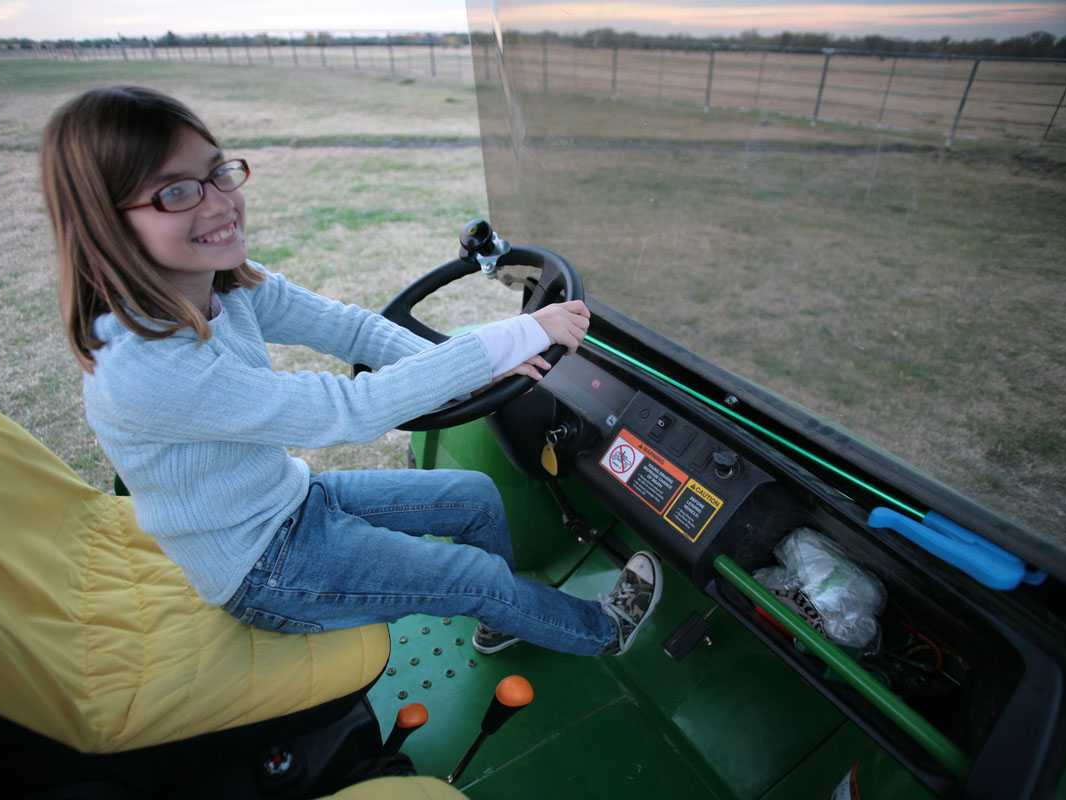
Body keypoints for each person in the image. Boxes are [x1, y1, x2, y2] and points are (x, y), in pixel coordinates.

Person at [39, 85, 662, 657]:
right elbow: (347, 411)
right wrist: (517, 333)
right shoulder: (145, 367)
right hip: (260, 567)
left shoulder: (222, 286)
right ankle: (600, 632)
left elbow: (353, 329)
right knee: (470, 575)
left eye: (218, 172)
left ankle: (503, 616)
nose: (223, 203)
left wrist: (465, 373)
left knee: (474, 497)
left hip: (286, 499)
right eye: (176, 191)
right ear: (105, 221)